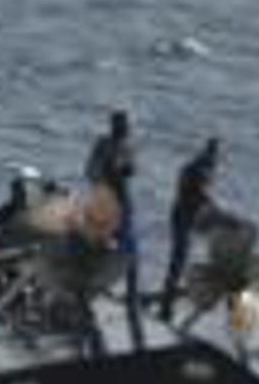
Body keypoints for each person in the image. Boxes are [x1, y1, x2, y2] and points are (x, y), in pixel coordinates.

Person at [83, 109, 144, 350]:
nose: (127, 129)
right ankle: (126, 296)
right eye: (124, 125)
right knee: (123, 249)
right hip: (113, 203)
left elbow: (128, 171)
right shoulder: (111, 146)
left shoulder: (113, 145)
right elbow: (104, 172)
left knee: (111, 248)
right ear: (118, 126)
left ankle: (99, 293)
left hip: (110, 202)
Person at [158, 137, 220, 321]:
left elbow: (196, 195)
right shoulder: (201, 169)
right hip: (183, 217)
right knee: (178, 261)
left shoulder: (193, 167)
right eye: (214, 158)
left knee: (178, 260)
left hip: (181, 214)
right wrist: (214, 208)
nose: (215, 164)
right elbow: (199, 196)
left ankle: (168, 299)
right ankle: (166, 306)